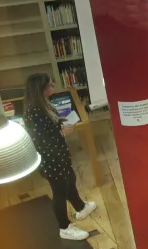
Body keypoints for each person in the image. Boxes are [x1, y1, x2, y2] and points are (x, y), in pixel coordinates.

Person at [22, 72, 97, 240]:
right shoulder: (34, 112)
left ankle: (80, 207)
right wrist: (62, 131)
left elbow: (51, 126)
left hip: (58, 153)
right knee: (59, 191)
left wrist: (60, 125)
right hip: (51, 158)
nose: (52, 87)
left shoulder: (42, 105)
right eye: (49, 85)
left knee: (69, 179)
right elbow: (42, 138)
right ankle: (64, 226)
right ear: (40, 89)